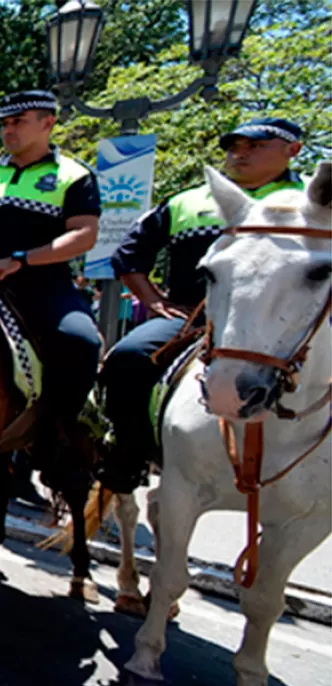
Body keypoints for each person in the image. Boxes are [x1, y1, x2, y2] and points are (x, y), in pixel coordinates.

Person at [96, 117, 306, 493]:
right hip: (195, 318)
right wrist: (153, 301)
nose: (239, 154)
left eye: (255, 146)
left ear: (293, 150)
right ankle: (128, 452)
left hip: (291, 326)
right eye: (233, 147)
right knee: (125, 358)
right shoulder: (188, 201)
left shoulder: (315, 203)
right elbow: (129, 256)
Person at [0, 90, 102, 471]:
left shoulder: (74, 175)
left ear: (48, 123)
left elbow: (84, 234)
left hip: (41, 285)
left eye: (18, 121)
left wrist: (22, 260)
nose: (8, 129)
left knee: (81, 340)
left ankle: (57, 431)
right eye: (5, 123)